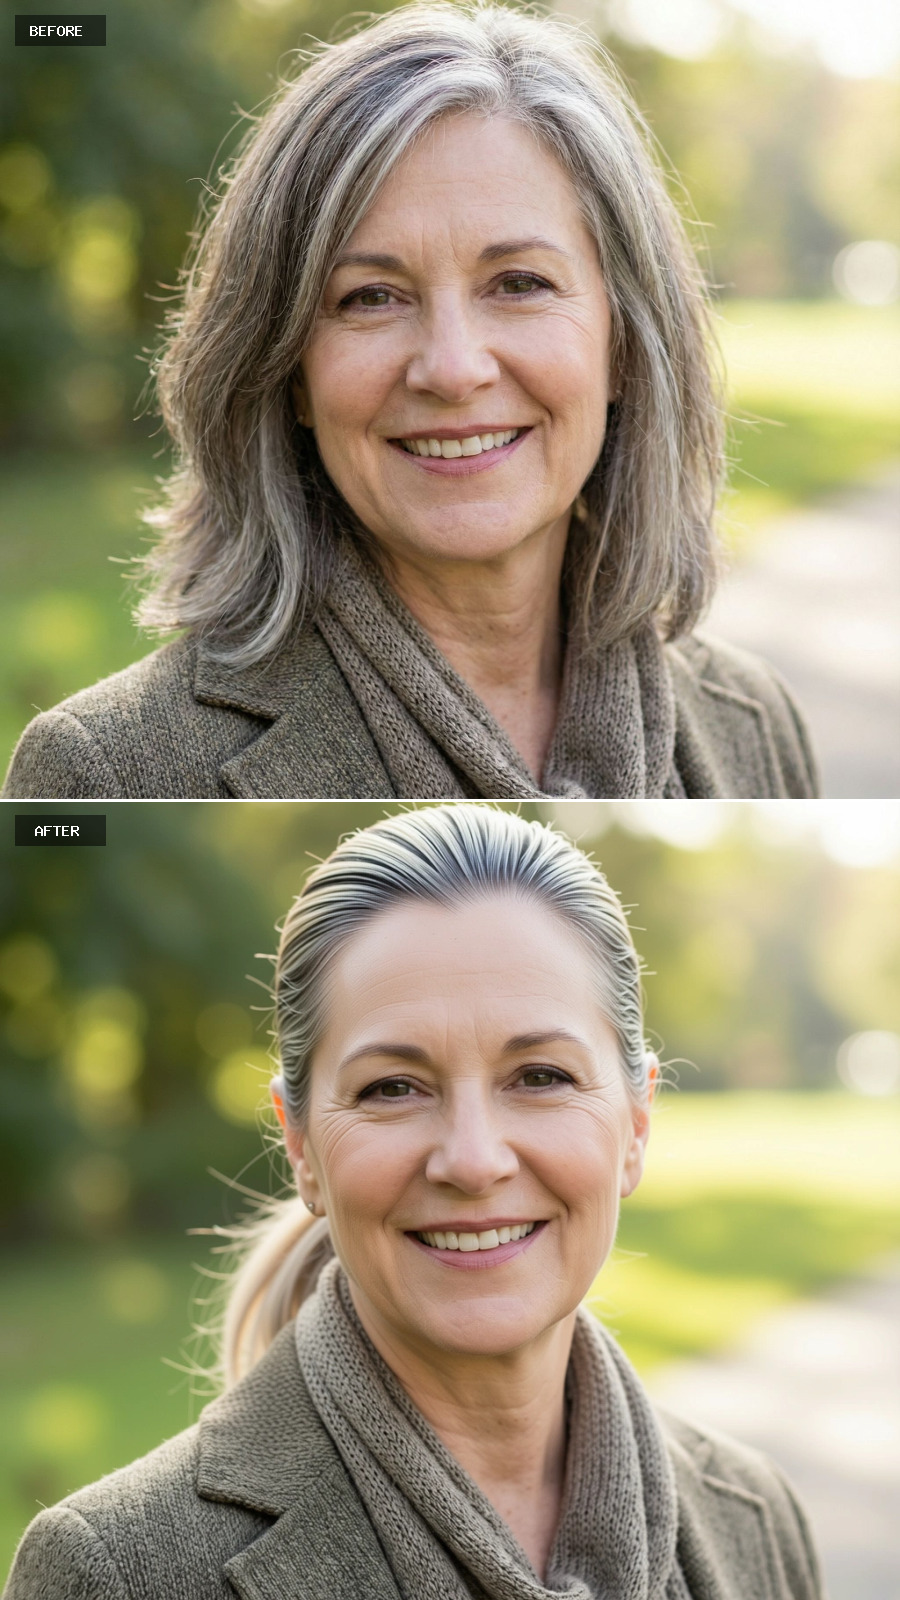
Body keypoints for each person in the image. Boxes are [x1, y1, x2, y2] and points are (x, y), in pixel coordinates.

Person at [5, 805, 824, 1599]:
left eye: (540, 1077)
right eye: (392, 1087)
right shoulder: (113, 1574)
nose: (472, 1160)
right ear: (301, 1147)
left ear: (637, 1122)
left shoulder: (754, 1518)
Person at [3, 5, 818, 802]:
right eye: (371, 298)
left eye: (520, 283)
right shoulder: (106, 771)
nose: (453, 368)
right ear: (288, 372)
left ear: (626, 346)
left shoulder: (754, 721)